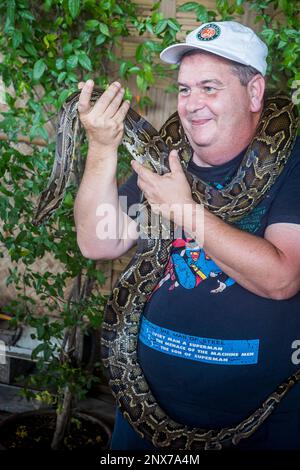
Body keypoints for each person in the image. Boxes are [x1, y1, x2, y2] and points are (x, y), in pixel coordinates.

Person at [74, 21, 300, 450]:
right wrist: (103, 147)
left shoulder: (294, 164)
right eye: (184, 89)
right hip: (142, 418)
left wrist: (181, 209)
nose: (192, 104)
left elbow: (282, 278)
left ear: (255, 93)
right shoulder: (167, 159)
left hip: (267, 427)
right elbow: (97, 242)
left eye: (210, 88)